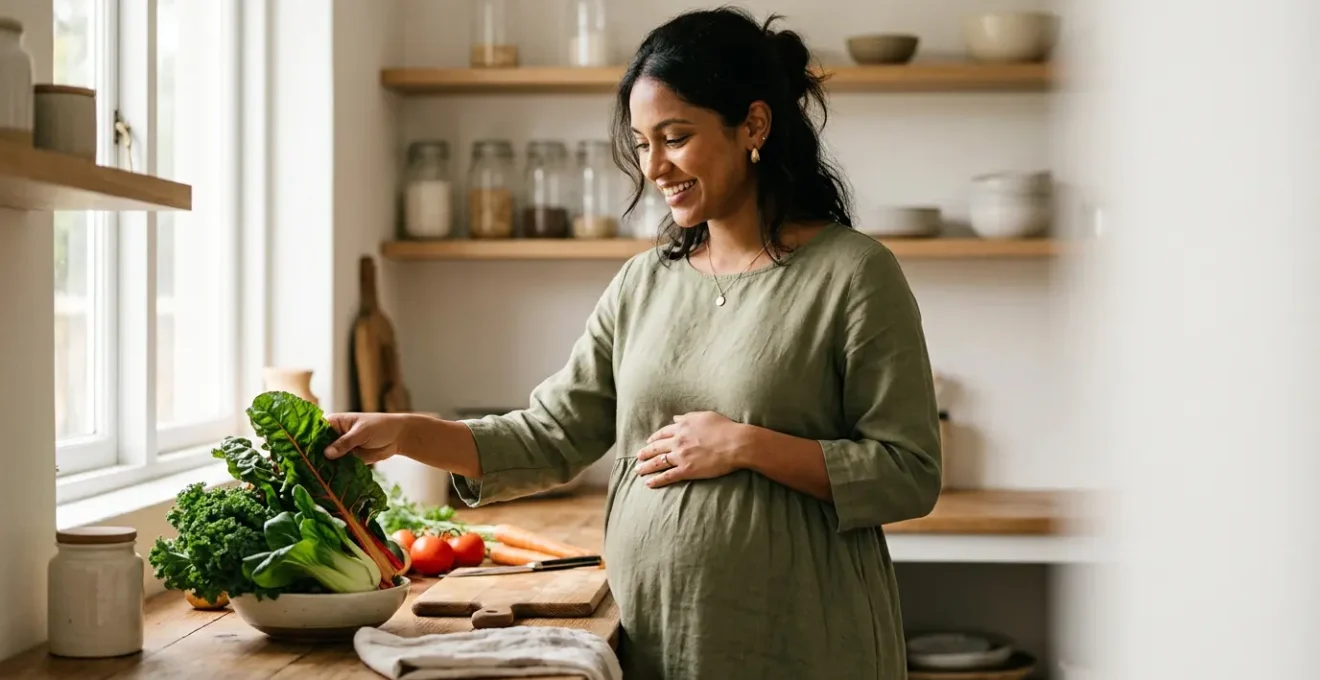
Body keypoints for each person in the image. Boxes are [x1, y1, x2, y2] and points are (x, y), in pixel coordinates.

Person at [325, 7, 941, 679]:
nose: (654, 166)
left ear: (754, 126)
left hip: (800, 641)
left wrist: (745, 444)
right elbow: (550, 435)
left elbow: (908, 472)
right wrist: (406, 432)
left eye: (674, 137)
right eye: (642, 143)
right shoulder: (644, 283)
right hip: (655, 638)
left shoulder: (853, 274)